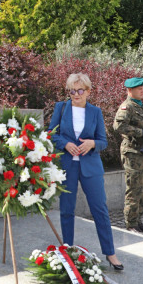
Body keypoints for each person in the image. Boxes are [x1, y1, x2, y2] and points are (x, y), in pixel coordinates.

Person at [48, 73, 123, 270]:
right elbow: (51, 134)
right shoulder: (61, 108)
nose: (76, 94)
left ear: (88, 91)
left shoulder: (95, 112)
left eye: (80, 90)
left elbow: (103, 141)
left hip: (91, 167)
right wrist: (65, 144)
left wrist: (92, 144)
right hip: (67, 167)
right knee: (67, 210)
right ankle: (68, 251)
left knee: (100, 209)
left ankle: (110, 253)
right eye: (72, 91)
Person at [113, 76, 143, 235]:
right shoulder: (127, 107)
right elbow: (118, 126)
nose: (142, 91)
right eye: (139, 89)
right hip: (133, 154)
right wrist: (140, 132)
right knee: (134, 190)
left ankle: (138, 221)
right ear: (129, 90)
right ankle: (131, 224)